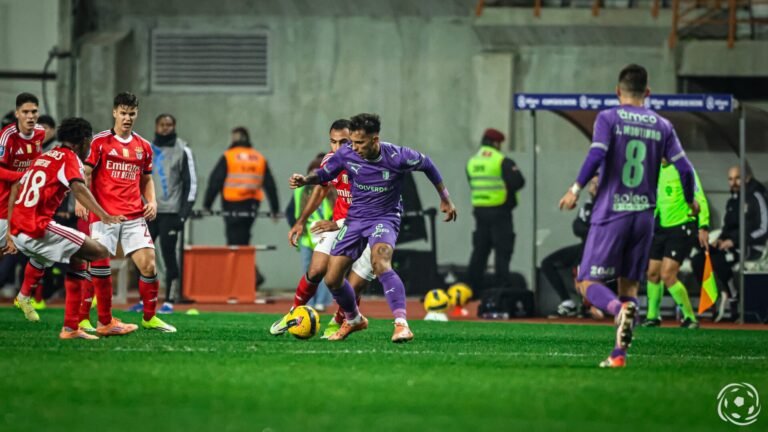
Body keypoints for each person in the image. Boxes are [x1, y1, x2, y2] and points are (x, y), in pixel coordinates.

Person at [559, 64, 698, 368]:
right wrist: (690, 202)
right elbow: (685, 169)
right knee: (630, 287)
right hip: (645, 219)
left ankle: (616, 310)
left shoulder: (609, 117)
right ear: (647, 92)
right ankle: (618, 354)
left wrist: (575, 188)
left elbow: (596, 154)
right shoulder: (663, 125)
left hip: (612, 211)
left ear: (617, 91)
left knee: (585, 280)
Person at [289, 113, 457, 343]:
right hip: (355, 219)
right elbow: (326, 174)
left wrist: (445, 198)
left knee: (381, 263)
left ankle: (401, 325)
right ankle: (354, 319)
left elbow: (428, 165)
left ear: (375, 139)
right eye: (353, 142)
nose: (354, 148)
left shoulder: (398, 156)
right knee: (332, 279)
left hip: (385, 219)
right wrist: (305, 180)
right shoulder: (347, 153)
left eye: (360, 143)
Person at [7, 117, 126, 339]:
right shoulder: (69, 158)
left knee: (77, 257)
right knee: (99, 251)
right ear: (83, 140)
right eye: (89, 142)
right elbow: (78, 188)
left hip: (19, 227)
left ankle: (70, 327)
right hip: (36, 227)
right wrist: (104, 215)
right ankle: (105, 322)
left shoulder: (45, 156)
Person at [76, 91, 176, 334]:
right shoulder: (99, 142)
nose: (127, 118)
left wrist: (151, 201)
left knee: (149, 266)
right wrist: (81, 202)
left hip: (133, 216)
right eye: (123, 113)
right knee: (97, 265)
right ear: (114, 113)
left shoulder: (143, 146)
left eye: (131, 113)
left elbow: (147, 179)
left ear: (136, 114)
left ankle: (150, 317)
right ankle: (87, 319)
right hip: (104, 215)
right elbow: (85, 174)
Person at [271, 119, 376, 339]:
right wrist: (300, 221)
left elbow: (370, 208)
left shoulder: (369, 165)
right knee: (317, 269)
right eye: (333, 142)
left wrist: (337, 223)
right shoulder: (331, 160)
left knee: (352, 283)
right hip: (338, 225)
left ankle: (342, 321)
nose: (337, 148)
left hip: (369, 228)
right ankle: (292, 313)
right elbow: (320, 190)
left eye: (343, 142)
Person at [128, 113, 197, 313]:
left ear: (174, 127)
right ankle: (144, 300)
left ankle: (169, 301)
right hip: (147, 210)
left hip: (171, 212)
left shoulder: (183, 150)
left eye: (169, 124)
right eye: (162, 124)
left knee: (168, 255)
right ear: (156, 126)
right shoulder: (146, 148)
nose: (165, 128)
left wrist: (183, 214)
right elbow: (135, 179)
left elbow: (191, 184)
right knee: (142, 255)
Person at [691, 165, 768, 321]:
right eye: (730, 179)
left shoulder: (756, 196)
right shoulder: (732, 201)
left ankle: (733, 297)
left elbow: (763, 228)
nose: (734, 182)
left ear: (747, 178)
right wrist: (720, 240)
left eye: (737, 178)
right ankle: (713, 298)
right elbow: (728, 227)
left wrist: (735, 241)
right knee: (699, 259)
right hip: (731, 246)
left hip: (752, 247)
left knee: (721, 259)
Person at [642, 160, 710, 328]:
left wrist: (703, 225)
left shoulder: (685, 169)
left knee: (667, 274)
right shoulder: (655, 170)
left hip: (682, 227)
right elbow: (657, 201)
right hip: (662, 228)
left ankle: (690, 318)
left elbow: (699, 196)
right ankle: (653, 316)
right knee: (652, 273)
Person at [2, 93, 46, 321]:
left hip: (26, 207)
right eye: (26, 112)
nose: (30, 116)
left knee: (42, 250)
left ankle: (24, 296)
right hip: (2, 208)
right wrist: (24, 175)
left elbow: (38, 163)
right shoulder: (7, 136)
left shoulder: (40, 133)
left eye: (34, 112)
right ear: (17, 113)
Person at [466, 128, 525, 292]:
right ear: (496, 143)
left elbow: (472, 182)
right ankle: (501, 287)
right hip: (500, 211)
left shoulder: (472, 162)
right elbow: (519, 182)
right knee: (502, 250)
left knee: (480, 250)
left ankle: (471, 288)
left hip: (480, 211)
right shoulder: (501, 160)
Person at [203, 126, 279, 245]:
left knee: (233, 238)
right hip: (252, 203)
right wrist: (275, 209)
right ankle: (244, 261)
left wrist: (207, 205)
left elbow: (215, 181)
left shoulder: (229, 156)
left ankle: (239, 262)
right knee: (244, 235)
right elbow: (270, 185)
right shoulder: (259, 158)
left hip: (232, 202)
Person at [541, 177, 596, 317]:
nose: (593, 187)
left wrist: (591, 230)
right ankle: (567, 303)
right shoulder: (587, 204)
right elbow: (577, 227)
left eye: (597, 183)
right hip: (585, 246)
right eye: (592, 183)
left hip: (602, 249)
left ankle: (591, 306)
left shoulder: (608, 205)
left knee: (585, 267)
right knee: (547, 263)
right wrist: (591, 230)